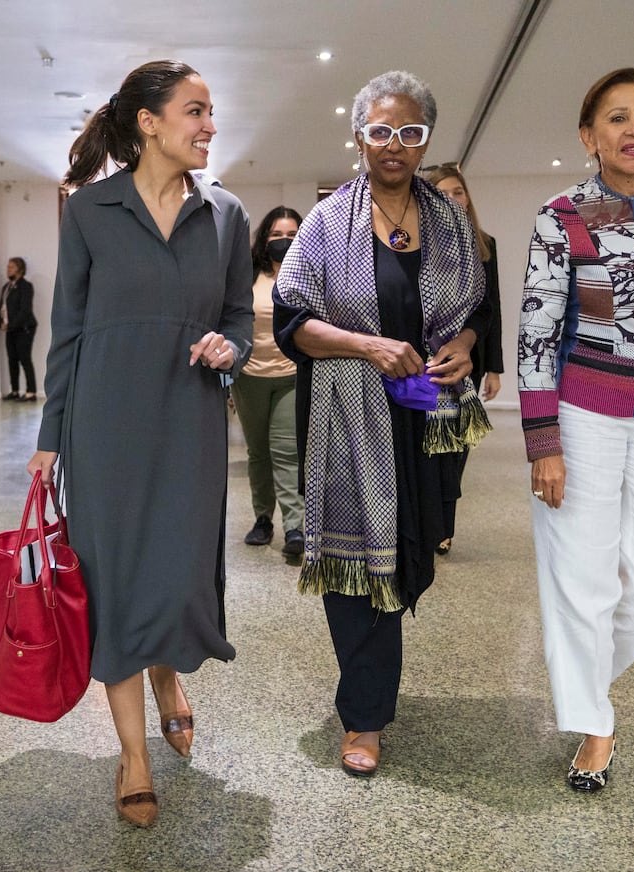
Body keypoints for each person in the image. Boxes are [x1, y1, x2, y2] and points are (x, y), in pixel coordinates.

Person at [27, 60, 253, 828]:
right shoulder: (90, 211)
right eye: (195, 111)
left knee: (178, 573)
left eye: (211, 112)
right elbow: (69, 331)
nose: (209, 125)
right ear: (149, 122)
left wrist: (233, 348)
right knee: (115, 576)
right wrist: (50, 436)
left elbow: (239, 317)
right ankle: (132, 753)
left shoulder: (226, 214)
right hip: (105, 423)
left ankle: (167, 677)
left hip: (188, 419)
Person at [274, 70, 489, 777]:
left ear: (425, 140)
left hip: (427, 411)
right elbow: (293, 322)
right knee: (358, 568)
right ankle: (364, 718)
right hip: (348, 412)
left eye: (410, 132)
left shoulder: (450, 219)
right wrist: (369, 346)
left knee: (413, 547)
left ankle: (373, 687)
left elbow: (473, 313)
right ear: (359, 136)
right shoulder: (327, 222)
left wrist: (463, 345)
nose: (394, 145)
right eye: (380, 130)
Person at [518, 67, 634, 793]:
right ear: (589, 136)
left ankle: (585, 684)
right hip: (587, 416)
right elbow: (537, 331)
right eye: (618, 117)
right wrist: (544, 443)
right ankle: (595, 726)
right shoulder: (567, 213)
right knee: (583, 580)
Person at [425, 163, 504, 554]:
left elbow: (493, 309)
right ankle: (432, 522)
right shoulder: (419, 243)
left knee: (458, 448)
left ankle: (446, 526)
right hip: (431, 360)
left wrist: (495, 368)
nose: (454, 199)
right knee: (435, 448)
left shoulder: (484, 243)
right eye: (444, 192)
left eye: (458, 191)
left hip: (470, 362)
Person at [235, 206, 305, 558]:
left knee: (286, 451)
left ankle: (295, 525)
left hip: (291, 376)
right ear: (264, 238)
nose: (284, 241)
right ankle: (263, 519)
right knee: (258, 453)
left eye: (292, 235)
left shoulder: (309, 273)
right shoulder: (247, 274)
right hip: (249, 378)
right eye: (277, 235)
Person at [0, 256, 38, 402]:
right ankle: (14, 390)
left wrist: (12, 324)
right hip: (11, 329)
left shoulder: (26, 286)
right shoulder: (6, 287)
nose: (8, 269)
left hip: (24, 328)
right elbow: (2, 307)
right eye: (8, 266)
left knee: (24, 358)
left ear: (20, 269)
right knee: (12, 359)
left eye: (11, 267)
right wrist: (2, 322)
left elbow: (25, 310)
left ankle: (31, 391)